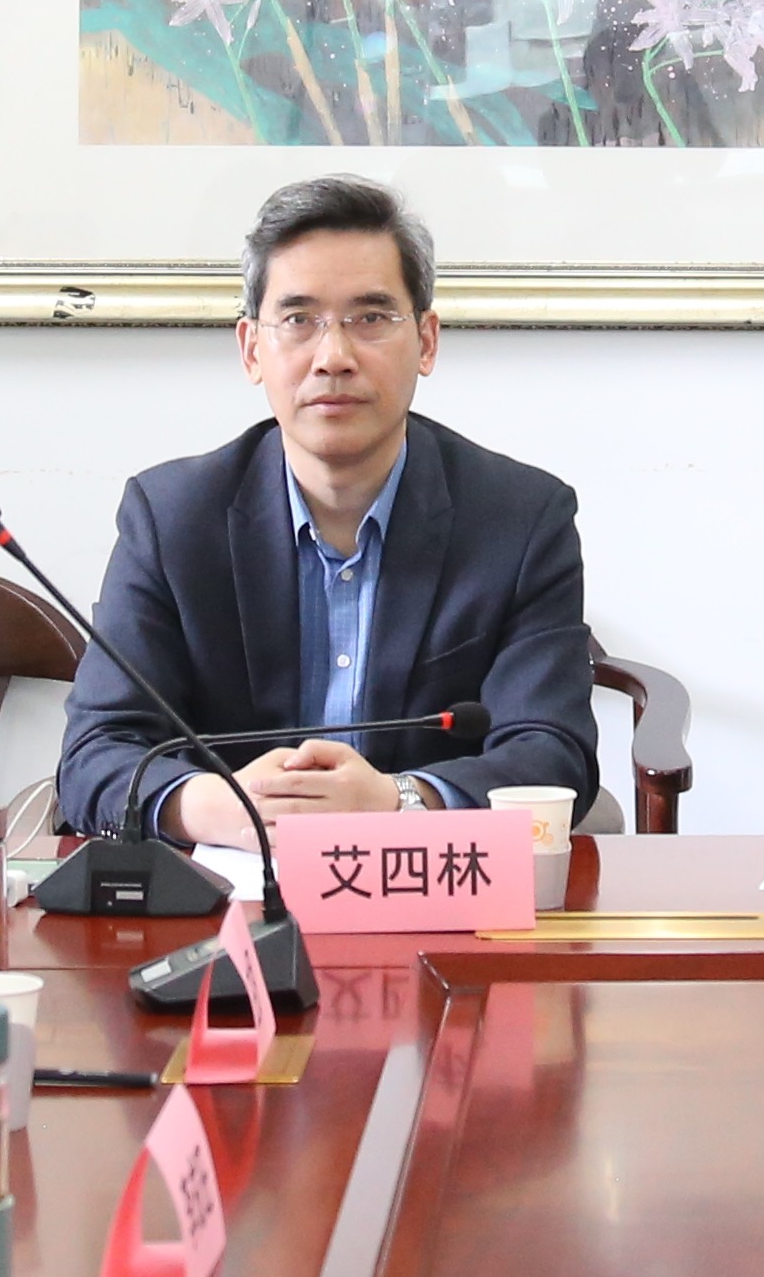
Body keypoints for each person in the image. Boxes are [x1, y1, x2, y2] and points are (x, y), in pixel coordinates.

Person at [55, 175, 600, 841]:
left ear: (427, 341)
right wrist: (222, 806)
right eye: (298, 321)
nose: (334, 357)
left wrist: (397, 799)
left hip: (427, 882)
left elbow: (552, 751)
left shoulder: (520, 519)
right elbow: (96, 753)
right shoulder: (172, 519)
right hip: (225, 888)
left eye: (370, 318)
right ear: (252, 349)